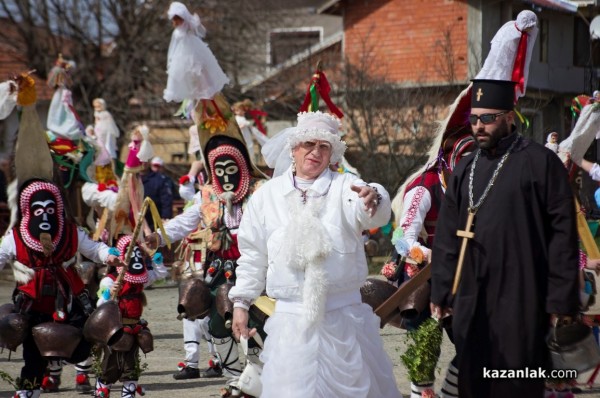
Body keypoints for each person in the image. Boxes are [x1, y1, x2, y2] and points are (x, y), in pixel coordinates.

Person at [229, 111, 401, 398]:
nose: (316, 152)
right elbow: (252, 256)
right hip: (290, 324)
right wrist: (241, 303)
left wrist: (375, 196)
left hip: (343, 321)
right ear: (294, 149)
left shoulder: (346, 186)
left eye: (324, 146)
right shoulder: (265, 197)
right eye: (309, 144)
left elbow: (374, 212)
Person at [430, 78, 580, 397]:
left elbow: (563, 236)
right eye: (474, 119)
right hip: (471, 296)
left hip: (523, 296)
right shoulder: (465, 169)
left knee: (516, 380)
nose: (479, 126)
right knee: (473, 380)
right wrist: (441, 291)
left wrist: (560, 299)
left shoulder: (541, 163)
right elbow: (446, 237)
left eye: (488, 118)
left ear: (510, 117)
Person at [93, 234, 168, 397]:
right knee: (111, 363)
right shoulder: (109, 280)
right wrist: (109, 294)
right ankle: (102, 387)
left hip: (134, 327)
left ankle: (129, 392)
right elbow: (99, 305)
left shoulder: (139, 279)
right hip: (114, 329)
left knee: (131, 363)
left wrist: (155, 258)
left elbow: (161, 274)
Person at [164, 1, 229, 102]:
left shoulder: (189, 26)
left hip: (195, 53)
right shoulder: (176, 33)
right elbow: (173, 47)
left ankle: (207, 94)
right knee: (188, 77)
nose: (177, 22)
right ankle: (195, 97)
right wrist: (171, 61)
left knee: (201, 72)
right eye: (175, 20)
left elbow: (201, 32)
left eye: (179, 19)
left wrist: (193, 23)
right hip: (182, 57)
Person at [142, 156, 174, 226]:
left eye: (145, 160)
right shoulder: (132, 178)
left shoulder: (161, 179)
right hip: (137, 218)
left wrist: (166, 217)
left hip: (154, 219)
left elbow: (166, 199)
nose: (143, 163)